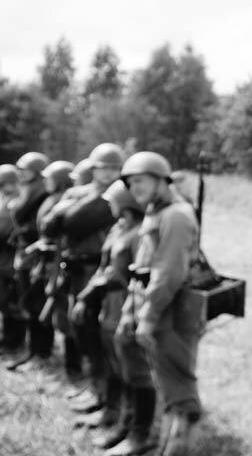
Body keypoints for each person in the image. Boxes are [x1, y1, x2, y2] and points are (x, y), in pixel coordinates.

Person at [118, 151, 203, 456]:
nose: (134, 189)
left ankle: (181, 447)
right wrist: (133, 310)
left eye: (140, 181)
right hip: (159, 307)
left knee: (179, 386)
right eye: (130, 183)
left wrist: (149, 316)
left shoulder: (176, 216)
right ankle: (168, 444)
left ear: (161, 180)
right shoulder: (157, 212)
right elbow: (144, 266)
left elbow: (168, 272)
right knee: (166, 383)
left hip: (174, 311)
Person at [77, 179, 156, 455]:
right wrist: (90, 294)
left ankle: (138, 433)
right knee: (115, 365)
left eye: (113, 201)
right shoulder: (117, 228)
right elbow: (105, 267)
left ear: (126, 204)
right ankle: (116, 418)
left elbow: (135, 277)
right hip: (108, 306)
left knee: (135, 370)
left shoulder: (140, 234)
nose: (109, 205)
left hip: (126, 308)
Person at [44, 143, 123, 412]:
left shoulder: (122, 197)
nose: (108, 173)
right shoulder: (76, 194)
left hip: (104, 272)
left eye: (114, 168)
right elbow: (53, 229)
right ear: (93, 168)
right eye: (103, 167)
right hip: (76, 269)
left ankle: (106, 394)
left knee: (101, 332)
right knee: (79, 328)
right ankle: (93, 386)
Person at [5, 151, 52, 369]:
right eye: (20, 169)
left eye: (26, 170)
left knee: (36, 303)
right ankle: (35, 350)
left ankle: (40, 351)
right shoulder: (29, 190)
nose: (21, 173)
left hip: (36, 255)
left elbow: (35, 225)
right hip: (26, 252)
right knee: (29, 302)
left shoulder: (40, 192)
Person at [0, 164, 23, 354]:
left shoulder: (19, 201)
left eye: (14, 182)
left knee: (13, 298)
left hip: (12, 254)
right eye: (8, 183)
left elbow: (10, 229)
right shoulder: (2, 200)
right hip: (2, 256)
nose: (12, 186)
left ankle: (14, 340)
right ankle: (8, 337)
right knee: (4, 299)